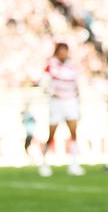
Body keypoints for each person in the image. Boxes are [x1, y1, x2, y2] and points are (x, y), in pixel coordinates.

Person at [39, 43, 84, 177]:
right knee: (51, 133)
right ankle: (44, 162)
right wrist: (50, 92)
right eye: (61, 51)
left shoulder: (72, 65)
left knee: (73, 132)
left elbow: (77, 84)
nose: (63, 53)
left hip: (70, 101)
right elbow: (44, 83)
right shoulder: (51, 65)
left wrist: (79, 102)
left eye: (65, 51)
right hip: (57, 102)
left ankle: (74, 164)